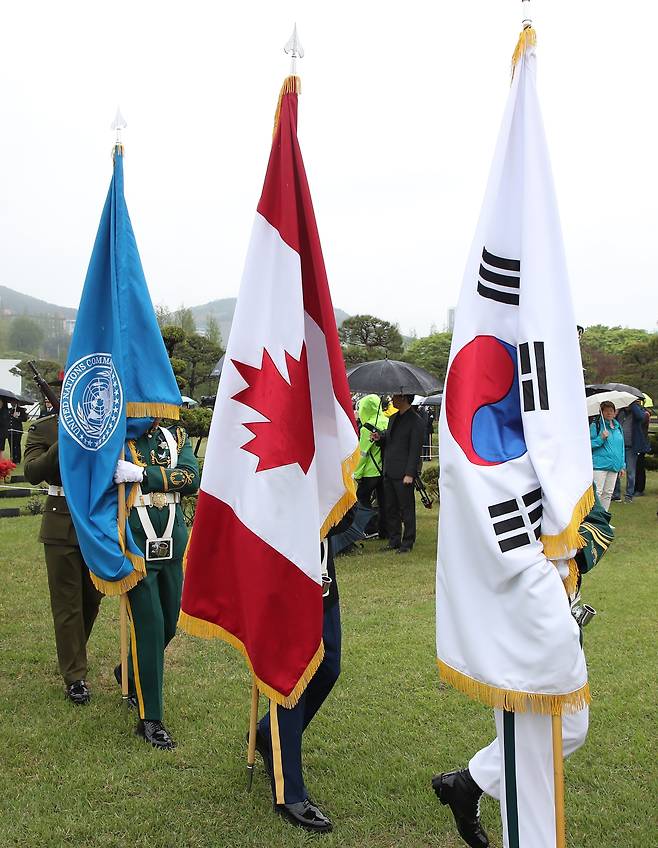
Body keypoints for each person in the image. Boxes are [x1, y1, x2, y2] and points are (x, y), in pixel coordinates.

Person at [432, 488, 613, 848]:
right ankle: (471, 788)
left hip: (557, 606)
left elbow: (598, 521)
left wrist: (567, 557)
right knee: (531, 757)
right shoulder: (497, 456)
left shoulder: (560, 452)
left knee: (572, 726)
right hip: (520, 610)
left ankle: (467, 783)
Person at [112, 418, 200, 749]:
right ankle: (151, 719)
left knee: (169, 625)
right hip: (135, 543)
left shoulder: (175, 435)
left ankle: (130, 670)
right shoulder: (118, 436)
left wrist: (143, 475)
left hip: (172, 540)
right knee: (149, 627)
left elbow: (191, 477)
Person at [253, 535, 340, 833]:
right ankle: (289, 794)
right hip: (282, 564)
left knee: (328, 667)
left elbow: (347, 515)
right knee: (290, 679)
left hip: (320, 568)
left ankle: (268, 733)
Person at [23, 401, 103, 705]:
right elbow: (32, 471)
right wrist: (64, 438)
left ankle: (73, 654)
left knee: (92, 599)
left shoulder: (101, 422)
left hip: (95, 520)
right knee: (67, 603)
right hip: (61, 521)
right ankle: (75, 677)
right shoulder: (43, 427)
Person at [373, 393, 424, 554]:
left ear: (403, 398)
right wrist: (379, 437)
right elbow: (390, 439)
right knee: (390, 508)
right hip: (389, 470)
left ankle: (408, 541)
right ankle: (394, 539)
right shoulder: (393, 417)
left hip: (403, 473)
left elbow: (415, 450)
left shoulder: (416, 421)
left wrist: (410, 473)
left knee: (406, 508)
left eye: (394, 397)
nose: (392, 400)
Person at [353, 393, 388, 539]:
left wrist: (357, 474)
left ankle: (370, 527)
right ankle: (385, 529)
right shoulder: (387, 421)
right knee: (384, 501)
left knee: (362, 498)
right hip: (385, 470)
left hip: (370, 472)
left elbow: (363, 453)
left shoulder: (367, 427)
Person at [612, 399, 651, 503]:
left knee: (631, 472)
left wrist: (632, 404)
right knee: (616, 470)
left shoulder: (636, 413)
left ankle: (629, 495)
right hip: (619, 447)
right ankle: (616, 495)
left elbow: (640, 416)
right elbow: (613, 420)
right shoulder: (620, 413)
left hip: (631, 447)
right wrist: (619, 407)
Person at [589, 401, 625, 510]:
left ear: (615, 412)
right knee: (598, 492)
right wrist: (601, 438)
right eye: (606, 411)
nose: (609, 413)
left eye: (611, 411)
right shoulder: (596, 425)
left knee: (608, 493)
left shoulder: (618, 427)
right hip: (600, 465)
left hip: (614, 466)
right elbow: (588, 444)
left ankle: (604, 520)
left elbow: (621, 447)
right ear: (601, 412)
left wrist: (622, 465)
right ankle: (595, 521)